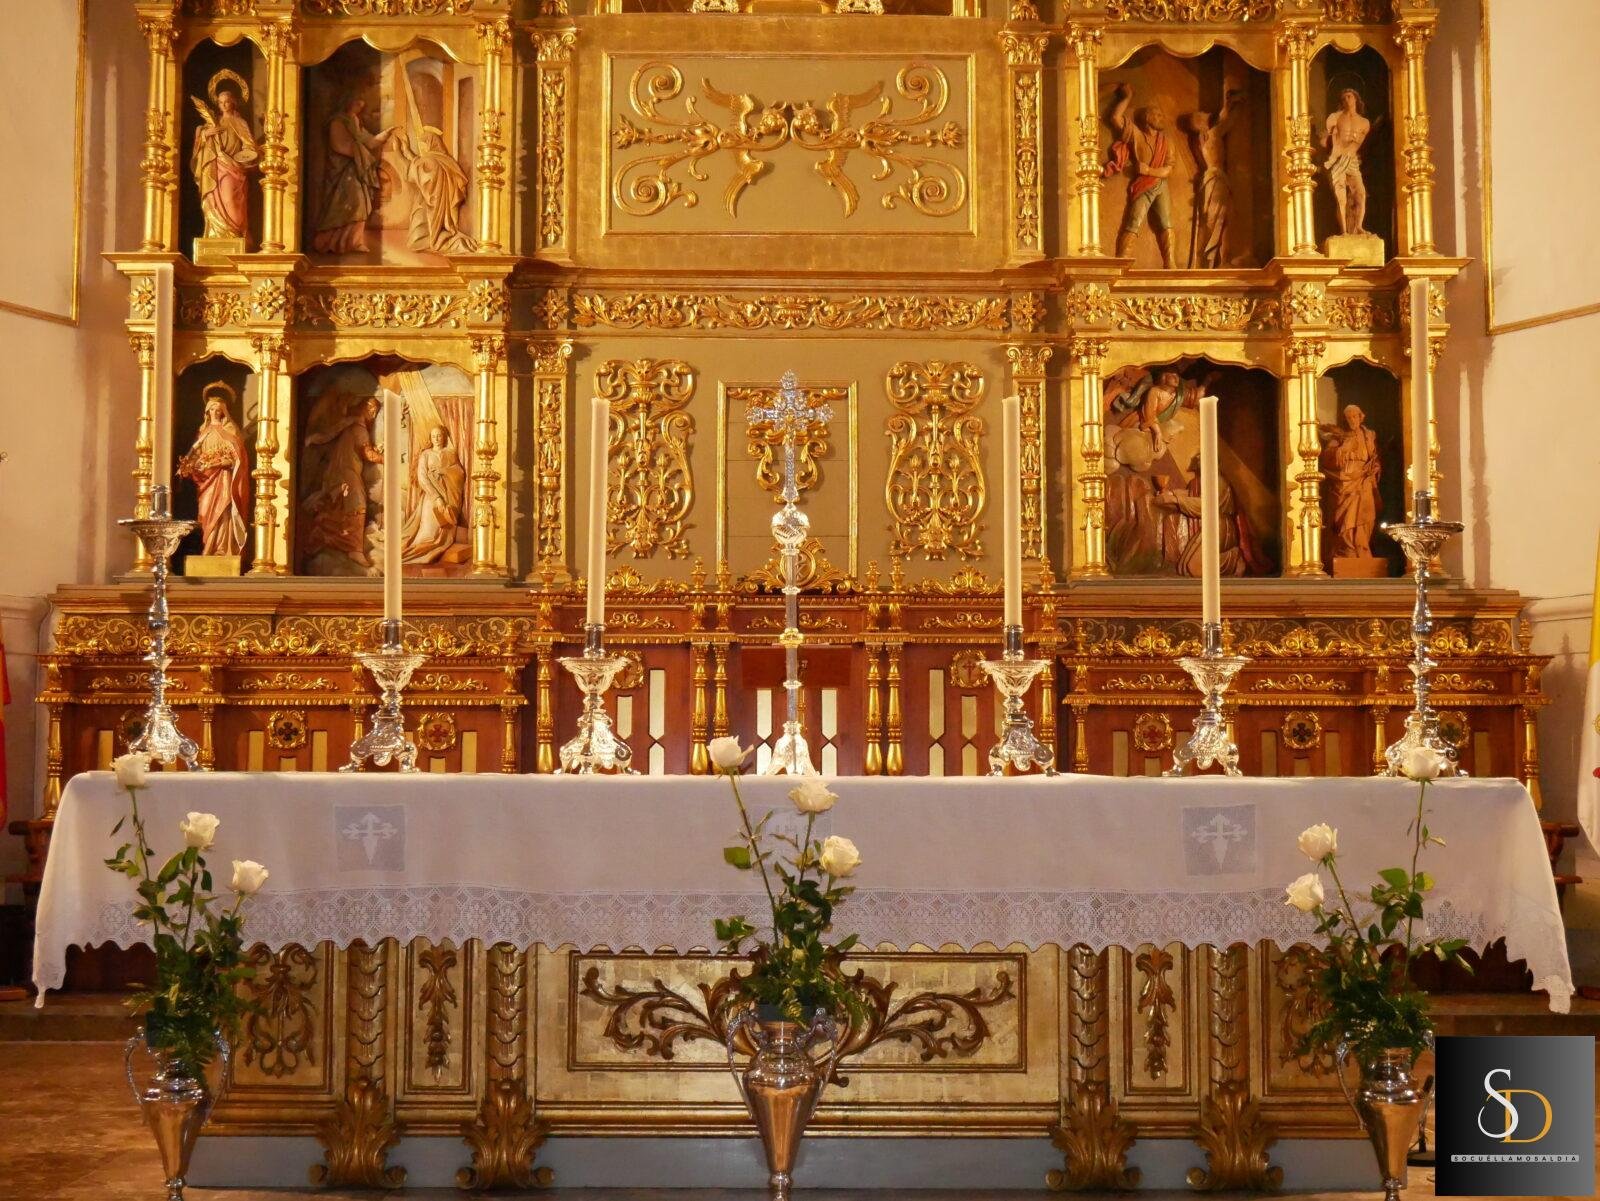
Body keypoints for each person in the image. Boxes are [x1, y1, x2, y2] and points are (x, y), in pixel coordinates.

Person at [1154, 453, 1271, 578]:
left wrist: (1176, 499)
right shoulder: (1205, 480)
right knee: (1185, 567)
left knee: (1195, 568)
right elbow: (1193, 495)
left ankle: (1235, 558)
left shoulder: (1218, 481)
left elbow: (1206, 504)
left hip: (1220, 526)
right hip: (1211, 525)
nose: (1198, 466)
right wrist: (1171, 494)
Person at [300, 393, 383, 569]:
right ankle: (355, 550)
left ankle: (321, 536)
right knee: (357, 505)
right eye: (373, 411)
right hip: (347, 473)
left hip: (337, 473)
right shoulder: (359, 428)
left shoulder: (349, 425)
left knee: (338, 509)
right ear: (366, 408)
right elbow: (367, 453)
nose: (374, 416)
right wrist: (386, 458)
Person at [312, 96, 398, 254]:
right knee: (346, 204)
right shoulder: (337, 122)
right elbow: (339, 145)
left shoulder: (355, 122)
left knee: (362, 203)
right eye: (357, 103)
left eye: (362, 104)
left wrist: (386, 133)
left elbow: (370, 141)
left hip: (357, 170)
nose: (360, 107)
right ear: (348, 102)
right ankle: (332, 241)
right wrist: (360, 152)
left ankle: (355, 242)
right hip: (342, 171)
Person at [1104, 82, 1176, 268]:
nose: (1161, 118)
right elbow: (1116, 117)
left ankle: (1170, 263)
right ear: (1147, 118)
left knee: (1166, 223)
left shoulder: (1167, 142)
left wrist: (1149, 171)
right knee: (1134, 220)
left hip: (1160, 184)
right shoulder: (1137, 135)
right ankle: (1122, 261)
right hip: (1144, 185)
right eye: (1157, 115)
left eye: (1162, 115)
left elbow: (1169, 168)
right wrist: (1126, 98)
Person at [176, 392, 251, 556]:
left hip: (223, 477)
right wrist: (189, 467)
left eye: (219, 409)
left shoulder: (229, 429)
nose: (215, 412)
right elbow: (195, 456)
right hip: (206, 480)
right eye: (212, 409)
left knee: (223, 510)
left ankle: (222, 549)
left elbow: (236, 457)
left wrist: (218, 462)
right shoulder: (203, 431)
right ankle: (208, 548)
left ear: (224, 411)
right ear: (207, 411)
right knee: (205, 513)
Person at [190, 84, 259, 240]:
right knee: (218, 199)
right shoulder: (213, 123)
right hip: (217, 167)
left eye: (227, 101)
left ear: (233, 102)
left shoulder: (240, 122)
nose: (224, 105)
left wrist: (245, 156)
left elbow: (249, 145)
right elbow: (200, 147)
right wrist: (205, 135)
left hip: (235, 168)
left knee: (233, 203)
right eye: (221, 102)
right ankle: (219, 234)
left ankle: (235, 236)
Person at [1185, 89, 1244, 268]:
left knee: (1225, 218)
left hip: (1216, 179)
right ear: (1200, 122)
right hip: (1216, 180)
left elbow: (1222, 119)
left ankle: (1220, 259)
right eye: (1202, 115)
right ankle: (1218, 260)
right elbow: (1228, 121)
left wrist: (1229, 104)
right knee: (1222, 219)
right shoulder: (1212, 135)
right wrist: (1234, 105)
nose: (1206, 114)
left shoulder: (1205, 138)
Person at [1319, 403, 1382, 561]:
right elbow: (1327, 457)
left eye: (1354, 416)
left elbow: (1375, 458)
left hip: (1365, 480)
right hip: (1345, 481)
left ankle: (1363, 548)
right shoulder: (1339, 436)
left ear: (1361, 417)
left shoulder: (1369, 435)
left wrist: (1375, 467)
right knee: (1346, 519)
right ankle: (1347, 550)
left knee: (1368, 515)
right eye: (1348, 417)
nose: (1352, 420)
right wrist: (1342, 451)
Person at [402, 126, 478, 255]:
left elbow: (419, 173)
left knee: (417, 240)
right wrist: (408, 152)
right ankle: (448, 241)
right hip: (435, 203)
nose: (423, 149)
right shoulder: (445, 160)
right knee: (416, 240)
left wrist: (403, 153)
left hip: (432, 205)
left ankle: (457, 244)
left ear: (431, 144)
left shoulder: (432, 160)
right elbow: (421, 165)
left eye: (424, 144)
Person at [402, 424, 468, 563]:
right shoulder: (425, 454)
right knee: (428, 530)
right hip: (431, 496)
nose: (436, 438)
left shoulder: (450, 453)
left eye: (439, 435)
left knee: (445, 527)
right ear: (430, 439)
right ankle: (416, 552)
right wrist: (436, 497)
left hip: (449, 495)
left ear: (443, 437)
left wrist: (445, 472)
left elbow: (460, 473)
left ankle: (435, 550)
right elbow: (422, 478)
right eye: (433, 436)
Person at [1322, 88, 1372, 236]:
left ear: (1356, 99)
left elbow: (1359, 143)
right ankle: (1344, 230)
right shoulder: (1335, 118)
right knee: (1341, 198)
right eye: (1343, 98)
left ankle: (1358, 226)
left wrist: (1350, 149)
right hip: (1338, 160)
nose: (1346, 100)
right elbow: (1328, 139)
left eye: (1349, 97)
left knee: (1361, 193)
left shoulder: (1364, 122)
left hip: (1352, 160)